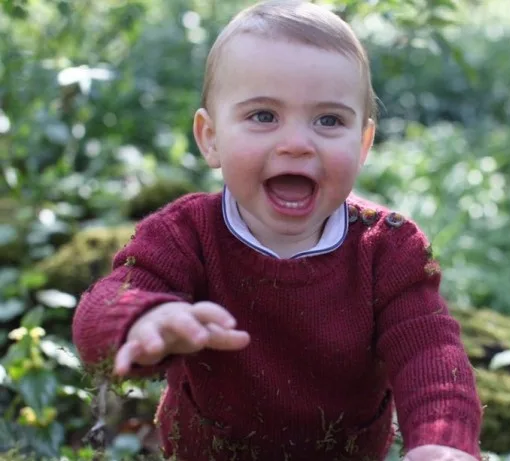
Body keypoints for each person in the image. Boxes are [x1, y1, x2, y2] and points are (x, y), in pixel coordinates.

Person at [72, 1, 483, 459]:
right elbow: (101, 307)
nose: (296, 144)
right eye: (263, 116)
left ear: (363, 143)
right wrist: (141, 318)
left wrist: (444, 443)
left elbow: (430, 351)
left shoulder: (388, 247)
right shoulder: (184, 234)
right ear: (211, 138)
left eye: (329, 120)